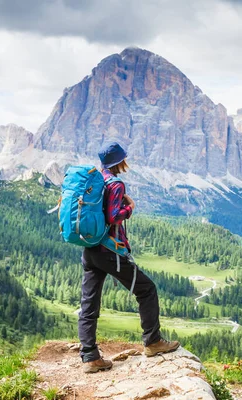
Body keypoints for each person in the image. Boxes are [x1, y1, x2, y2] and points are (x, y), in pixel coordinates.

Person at [79, 141, 180, 373]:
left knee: (89, 303)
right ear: (119, 161)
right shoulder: (115, 184)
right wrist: (130, 207)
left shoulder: (96, 181)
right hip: (109, 252)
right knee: (147, 289)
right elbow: (114, 217)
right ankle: (153, 342)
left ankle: (90, 357)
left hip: (90, 250)